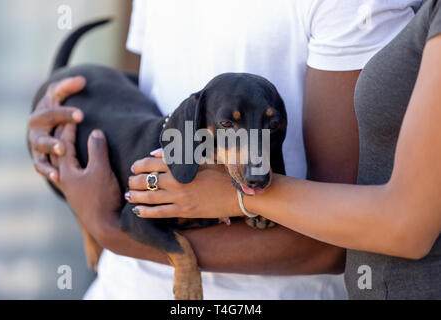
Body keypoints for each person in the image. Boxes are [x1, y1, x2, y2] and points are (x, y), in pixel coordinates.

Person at [28, 0, 421, 299]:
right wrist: (61, 123)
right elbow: (150, 93)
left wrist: (109, 229)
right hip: (119, 287)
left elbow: (338, 241)